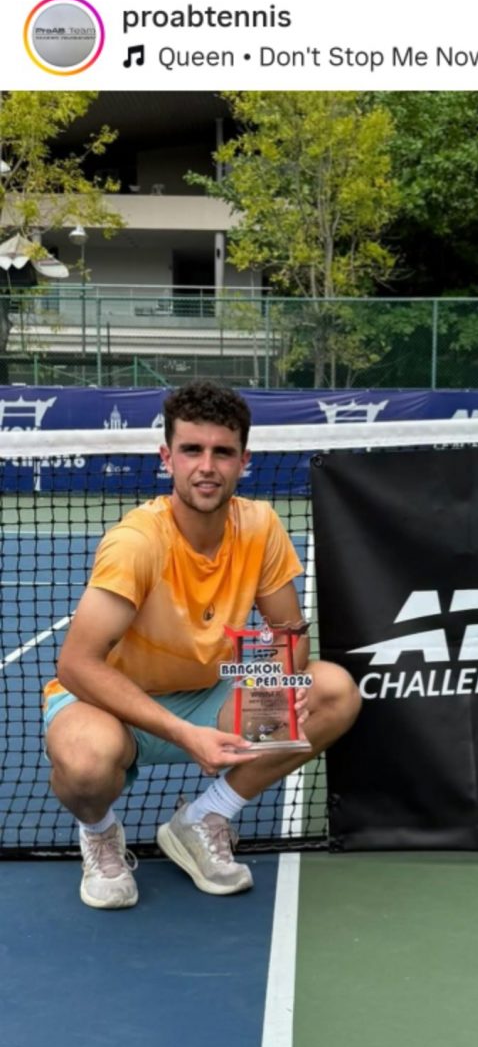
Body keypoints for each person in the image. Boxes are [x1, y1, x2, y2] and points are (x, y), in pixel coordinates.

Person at [42, 381, 361, 909]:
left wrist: (276, 692)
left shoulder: (260, 527)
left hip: (204, 696)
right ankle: (99, 832)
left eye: (222, 451)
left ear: (244, 461)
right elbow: (76, 664)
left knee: (332, 691)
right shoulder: (137, 543)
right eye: (192, 449)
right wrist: (185, 735)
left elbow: (288, 637)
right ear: (167, 457)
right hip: (109, 705)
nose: (206, 465)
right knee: (85, 762)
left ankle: (204, 817)